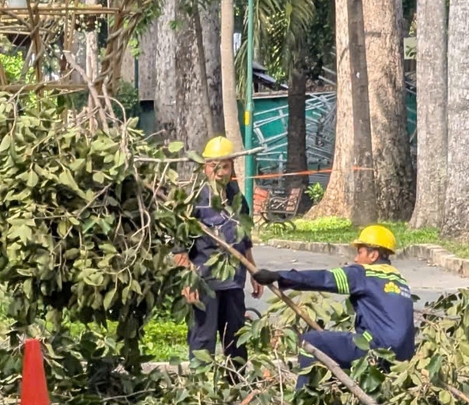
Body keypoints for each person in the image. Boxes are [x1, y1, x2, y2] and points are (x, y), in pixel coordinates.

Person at [251, 224, 417, 381]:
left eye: (360, 253)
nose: (356, 258)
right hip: (403, 357)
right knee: (339, 346)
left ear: (373, 255)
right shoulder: (400, 279)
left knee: (311, 341)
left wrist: (280, 276)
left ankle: (302, 397)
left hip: (376, 349)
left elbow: (324, 279)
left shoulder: (363, 274)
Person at [175, 136, 259, 366]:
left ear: (232, 166)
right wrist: (188, 280)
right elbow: (179, 246)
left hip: (234, 281)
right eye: (215, 166)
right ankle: (200, 390)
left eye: (225, 166)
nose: (220, 172)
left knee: (236, 340)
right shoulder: (195, 198)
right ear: (205, 167)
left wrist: (254, 271)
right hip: (204, 282)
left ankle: (237, 389)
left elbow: (244, 236)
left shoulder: (236, 196)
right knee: (202, 338)